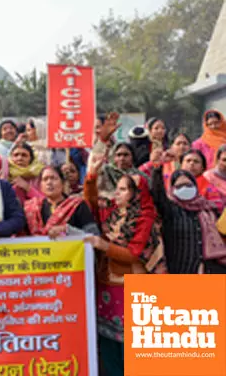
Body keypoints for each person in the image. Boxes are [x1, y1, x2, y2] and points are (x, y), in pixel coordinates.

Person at [84, 160, 167, 375]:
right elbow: (90, 202)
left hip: (132, 288)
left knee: (132, 349)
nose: (117, 194)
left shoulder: (146, 217)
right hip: (107, 287)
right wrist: (91, 175)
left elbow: (133, 253)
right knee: (109, 345)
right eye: (116, 189)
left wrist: (104, 246)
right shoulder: (112, 213)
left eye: (122, 190)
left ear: (136, 192)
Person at [151, 168, 226, 274]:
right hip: (180, 270)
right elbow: (157, 194)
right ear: (172, 189)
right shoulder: (170, 210)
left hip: (210, 270)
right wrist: (157, 169)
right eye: (179, 186)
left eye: (188, 185)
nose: (185, 188)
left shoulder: (209, 209)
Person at [24, 166, 99, 238]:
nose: (49, 182)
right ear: (40, 186)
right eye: (45, 179)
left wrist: (67, 230)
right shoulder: (32, 207)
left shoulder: (77, 205)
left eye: (53, 178)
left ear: (62, 183)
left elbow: (94, 236)